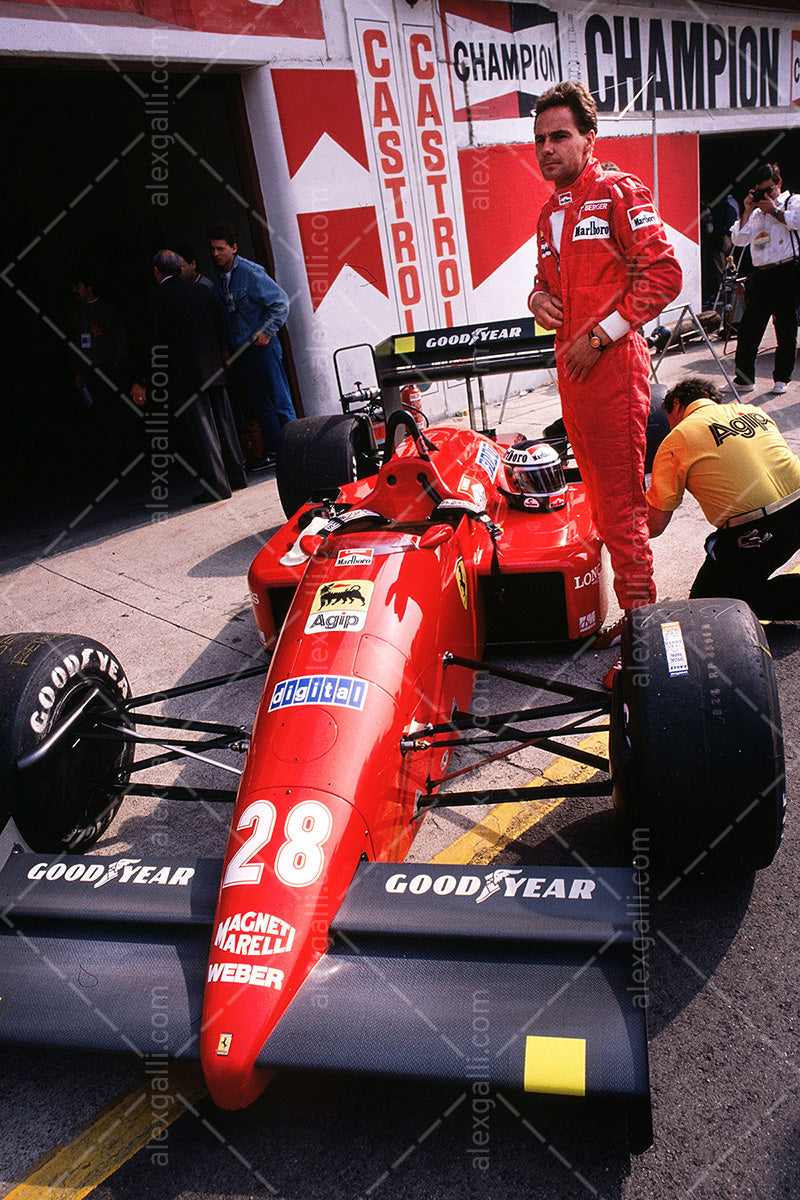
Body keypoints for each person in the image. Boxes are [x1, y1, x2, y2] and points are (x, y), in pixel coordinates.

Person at [527, 81, 682, 628]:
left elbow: (664, 276)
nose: (547, 148)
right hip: (574, 378)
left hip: (613, 371)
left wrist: (599, 339)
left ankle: (643, 634)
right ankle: (635, 616)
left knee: (620, 512)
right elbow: (545, 283)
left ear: (590, 138)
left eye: (560, 136)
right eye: (540, 138)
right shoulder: (548, 212)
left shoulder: (620, 190)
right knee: (595, 503)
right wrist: (537, 298)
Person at [647, 376, 800, 617]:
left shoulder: (678, 438)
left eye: (668, 418)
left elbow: (654, 526)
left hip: (759, 531)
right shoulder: (751, 411)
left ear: (676, 405)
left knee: (707, 608)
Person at [132, 249, 247, 504]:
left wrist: (142, 379)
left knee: (204, 430)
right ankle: (237, 476)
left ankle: (218, 485)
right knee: (225, 423)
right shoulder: (201, 292)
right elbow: (219, 326)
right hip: (213, 367)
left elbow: (152, 342)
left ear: (156, 272)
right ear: (181, 269)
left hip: (186, 374)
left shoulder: (156, 298)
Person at [209, 221, 296, 468]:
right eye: (213, 249)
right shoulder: (218, 281)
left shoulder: (250, 272)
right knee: (260, 404)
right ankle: (276, 452)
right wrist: (226, 348)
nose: (216, 254)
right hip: (241, 352)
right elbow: (225, 318)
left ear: (234, 248)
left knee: (280, 401)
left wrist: (267, 332)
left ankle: (294, 451)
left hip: (262, 348)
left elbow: (280, 302)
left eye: (220, 249)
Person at [731, 163, 800, 396]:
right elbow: (739, 240)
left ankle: (782, 378)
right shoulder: (757, 213)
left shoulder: (792, 202)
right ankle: (744, 379)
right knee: (750, 327)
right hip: (762, 273)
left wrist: (774, 210)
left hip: (787, 269)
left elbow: (797, 222)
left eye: (769, 190)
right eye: (761, 191)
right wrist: (748, 210)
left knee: (785, 326)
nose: (766, 195)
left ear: (779, 184)